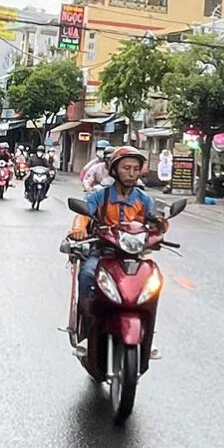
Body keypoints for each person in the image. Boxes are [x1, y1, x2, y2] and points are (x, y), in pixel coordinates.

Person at [66, 147, 165, 367]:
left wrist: (160, 226)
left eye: (136, 169)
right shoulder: (100, 195)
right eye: (126, 168)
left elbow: (156, 222)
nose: (131, 173)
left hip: (134, 255)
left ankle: (148, 334)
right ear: (114, 170)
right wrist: (79, 229)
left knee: (153, 282)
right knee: (87, 276)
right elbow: (83, 215)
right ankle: (87, 332)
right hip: (102, 252)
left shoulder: (144, 199)